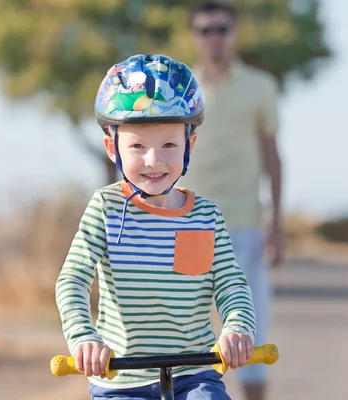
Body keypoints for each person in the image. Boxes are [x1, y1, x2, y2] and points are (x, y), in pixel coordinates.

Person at [55, 54, 256, 399]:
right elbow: (72, 280)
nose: (153, 159)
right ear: (111, 148)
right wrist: (84, 338)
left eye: (168, 145)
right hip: (120, 376)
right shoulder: (105, 209)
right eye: (137, 146)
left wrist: (237, 328)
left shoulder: (206, 216)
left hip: (193, 372)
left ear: (189, 146)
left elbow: (230, 284)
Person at [181, 3, 284, 399]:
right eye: (205, 30)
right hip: (189, 228)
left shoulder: (260, 86)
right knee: (188, 333)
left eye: (222, 29)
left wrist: (277, 224)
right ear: (195, 36)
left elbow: (273, 155)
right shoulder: (183, 86)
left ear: (235, 32)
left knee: (249, 335)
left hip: (244, 226)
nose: (214, 38)